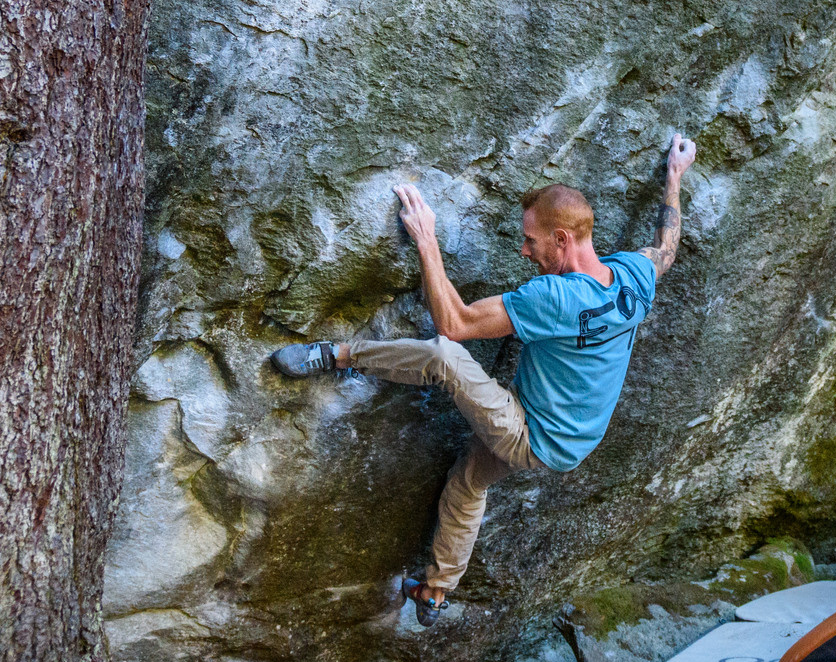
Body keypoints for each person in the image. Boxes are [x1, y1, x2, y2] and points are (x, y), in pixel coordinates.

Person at [271, 134, 697, 622]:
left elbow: (455, 326)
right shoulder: (633, 278)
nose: (523, 250)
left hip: (531, 433)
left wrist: (426, 239)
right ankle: (434, 591)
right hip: (571, 441)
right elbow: (667, 246)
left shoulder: (555, 297)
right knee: (470, 483)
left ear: (562, 240)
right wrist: (674, 177)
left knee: (444, 356)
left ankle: (336, 355)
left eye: (531, 241)